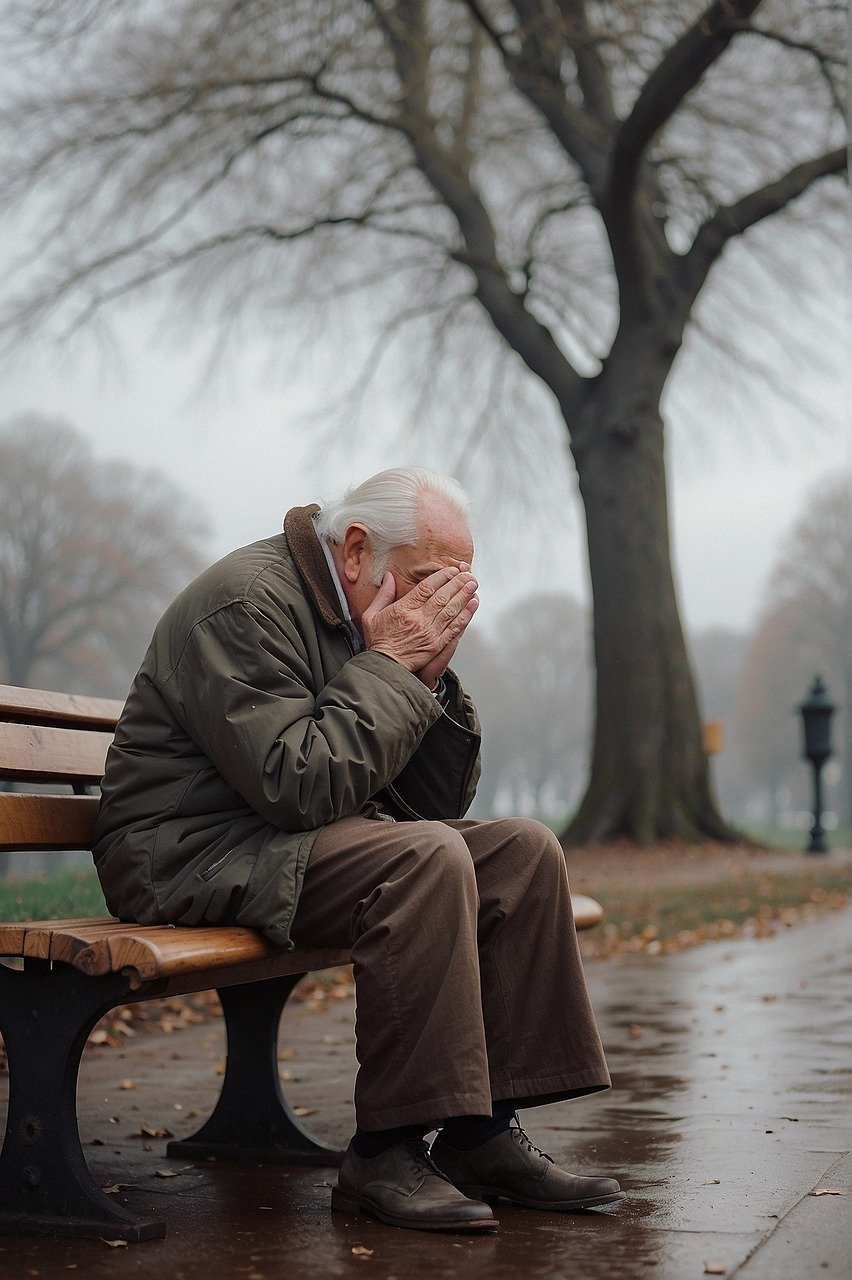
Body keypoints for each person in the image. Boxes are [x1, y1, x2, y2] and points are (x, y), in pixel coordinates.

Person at [93, 467, 623, 1233]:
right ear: (354, 551)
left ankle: (481, 1135)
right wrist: (387, 669)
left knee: (524, 853)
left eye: (458, 588)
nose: (441, 606)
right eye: (431, 582)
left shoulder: (367, 609)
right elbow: (297, 785)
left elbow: (428, 806)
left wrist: (428, 684)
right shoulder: (246, 605)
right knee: (425, 861)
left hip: (282, 836)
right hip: (186, 852)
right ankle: (386, 1149)